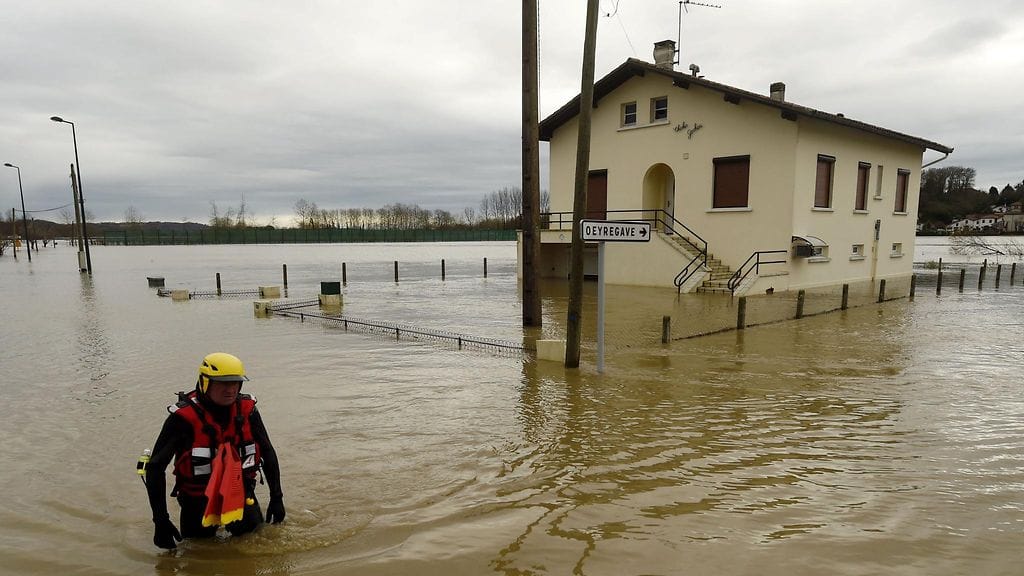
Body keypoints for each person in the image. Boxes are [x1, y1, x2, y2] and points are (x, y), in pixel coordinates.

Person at [145, 352, 285, 549]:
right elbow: (155, 468)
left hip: (240, 493)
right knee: (197, 555)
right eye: (222, 383)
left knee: (255, 547)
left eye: (235, 383)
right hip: (197, 500)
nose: (230, 390)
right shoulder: (182, 419)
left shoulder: (248, 410)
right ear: (205, 382)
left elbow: (268, 452)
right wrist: (160, 521)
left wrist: (276, 498)